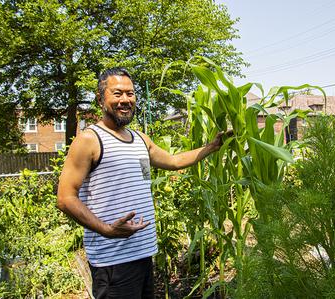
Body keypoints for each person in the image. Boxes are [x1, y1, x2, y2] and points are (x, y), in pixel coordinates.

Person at [57, 67, 225, 299]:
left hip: (144, 254)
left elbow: (174, 161)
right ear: (100, 99)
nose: (125, 100)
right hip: (113, 262)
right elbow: (65, 198)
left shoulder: (140, 140)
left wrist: (212, 147)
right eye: (117, 94)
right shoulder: (89, 140)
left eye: (130, 93)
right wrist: (107, 230)